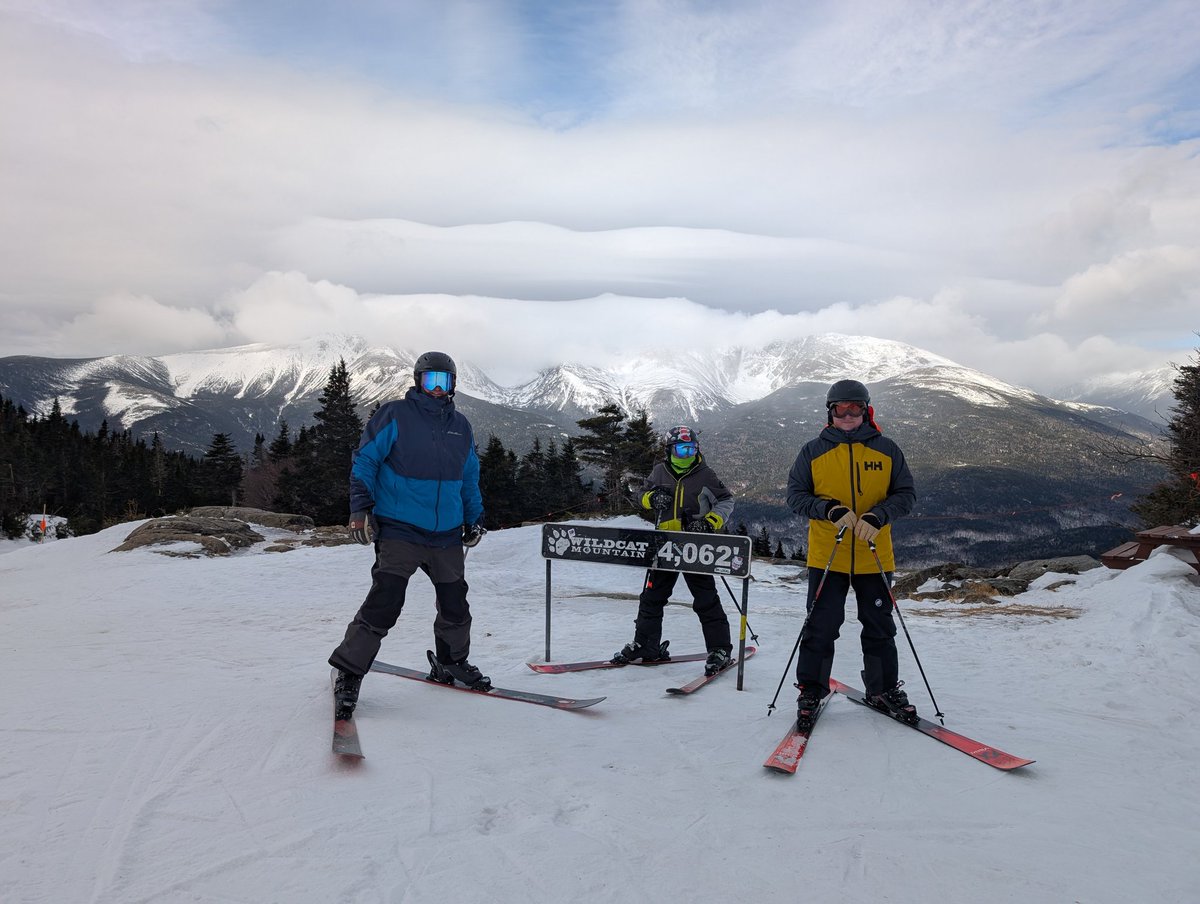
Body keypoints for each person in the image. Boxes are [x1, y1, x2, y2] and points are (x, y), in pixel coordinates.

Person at [329, 351, 487, 720]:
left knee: (455, 604)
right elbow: (366, 460)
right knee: (385, 601)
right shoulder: (395, 415)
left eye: (444, 381)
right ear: (418, 381)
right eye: (431, 380)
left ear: (453, 385)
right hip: (400, 528)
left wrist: (474, 517)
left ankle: (451, 662)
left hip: (446, 534)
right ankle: (349, 671)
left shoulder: (460, 426)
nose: (437, 389)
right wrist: (360, 508)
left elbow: (469, 477)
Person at [785, 380, 917, 730]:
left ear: (866, 411)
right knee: (821, 626)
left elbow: (905, 494)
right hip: (828, 556)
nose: (847, 415)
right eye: (840, 408)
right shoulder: (812, 451)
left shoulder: (887, 449)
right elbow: (795, 496)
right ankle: (811, 690)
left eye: (854, 408)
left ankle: (882, 689)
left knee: (879, 626)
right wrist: (827, 509)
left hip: (874, 555)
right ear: (830, 412)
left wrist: (879, 515)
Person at [612, 425, 736, 676]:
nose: (687, 454)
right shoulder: (660, 472)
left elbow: (726, 500)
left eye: (691, 449)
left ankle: (719, 649)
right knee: (652, 598)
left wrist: (710, 522)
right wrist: (651, 499)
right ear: (669, 450)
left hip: (694, 546)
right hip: (664, 545)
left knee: (705, 599)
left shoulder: (705, 474)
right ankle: (646, 645)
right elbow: (641, 495)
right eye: (681, 449)